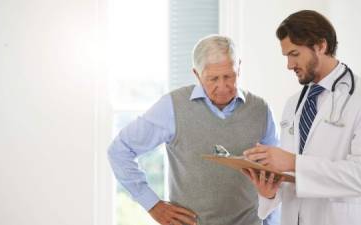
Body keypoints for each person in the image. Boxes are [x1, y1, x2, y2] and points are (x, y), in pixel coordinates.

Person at [108, 34, 281, 225]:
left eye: (229, 76)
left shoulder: (260, 110)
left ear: (239, 68)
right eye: (213, 79)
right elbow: (119, 150)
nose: (222, 86)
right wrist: (153, 205)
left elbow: (275, 178)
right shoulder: (172, 106)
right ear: (196, 74)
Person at [242, 10, 361, 225]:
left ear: (321, 46)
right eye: (286, 56)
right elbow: (293, 177)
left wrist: (293, 162)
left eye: (295, 54)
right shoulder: (294, 103)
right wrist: (269, 192)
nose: (289, 65)